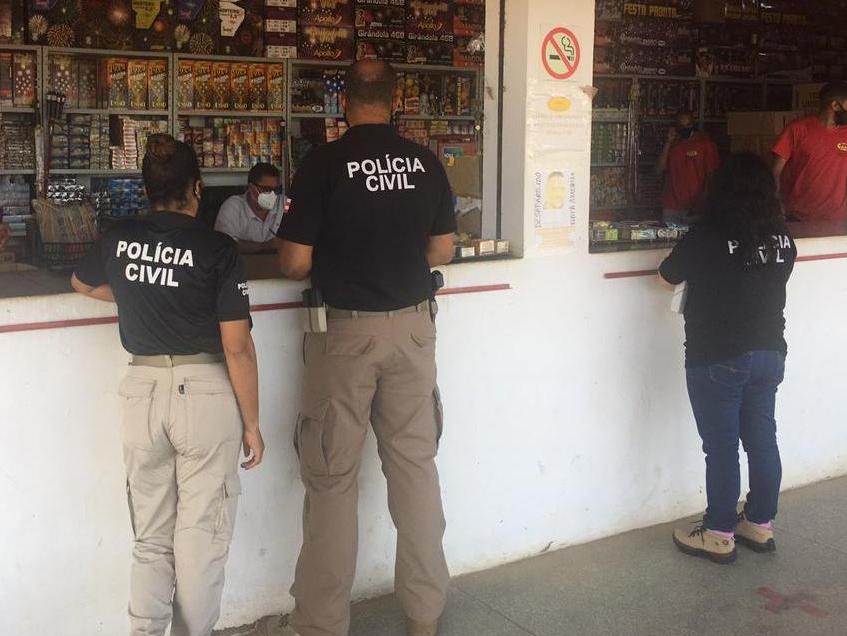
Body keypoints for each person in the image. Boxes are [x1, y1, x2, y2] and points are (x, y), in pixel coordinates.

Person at [276, 59, 455, 636]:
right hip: (414, 330)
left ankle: (322, 625)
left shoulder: (324, 164)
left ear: (343, 102)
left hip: (346, 335)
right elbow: (443, 250)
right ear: (395, 100)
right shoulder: (425, 162)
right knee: (415, 470)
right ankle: (424, 616)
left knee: (332, 480)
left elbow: (295, 262)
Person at [71, 133, 265, 636]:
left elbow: (81, 283)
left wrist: (139, 296)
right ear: (196, 187)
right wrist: (252, 423)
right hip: (205, 395)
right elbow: (237, 346)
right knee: (200, 540)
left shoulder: (119, 236)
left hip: (142, 391)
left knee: (151, 538)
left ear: (147, 189)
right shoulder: (217, 247)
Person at [659, 153, 796, 565]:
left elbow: (667, 274)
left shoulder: (709, 234)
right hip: (769, 352)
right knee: (762, 441)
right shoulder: (783, 238)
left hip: (718, 355)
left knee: (721, 449)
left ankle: (719, 533)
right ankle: (759, 524)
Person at [772, 81, 847, 221]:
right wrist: (777, 203)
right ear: (835, 105)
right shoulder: (797, 129)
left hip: (839, 221)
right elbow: (775, 172)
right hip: (798, 217)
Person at [656, 111, 720, 226]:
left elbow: (712, 175)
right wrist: (668, 142)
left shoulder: (705, 144)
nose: (685, 129)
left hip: (694, 206)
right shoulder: (673, 144)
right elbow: (659, 169)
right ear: (676, 126)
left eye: (688, 125)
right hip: (671, 205)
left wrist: (703, 201)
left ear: (693, 124)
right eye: (681, 126)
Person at [214, 162, 283, 253]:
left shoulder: (284, 203)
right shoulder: (232, 206)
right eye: (266, 189)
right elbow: (223, 244)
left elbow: (293, 218)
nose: (272, 194)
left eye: (275, 189)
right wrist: (265, 246)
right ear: (251, 188)